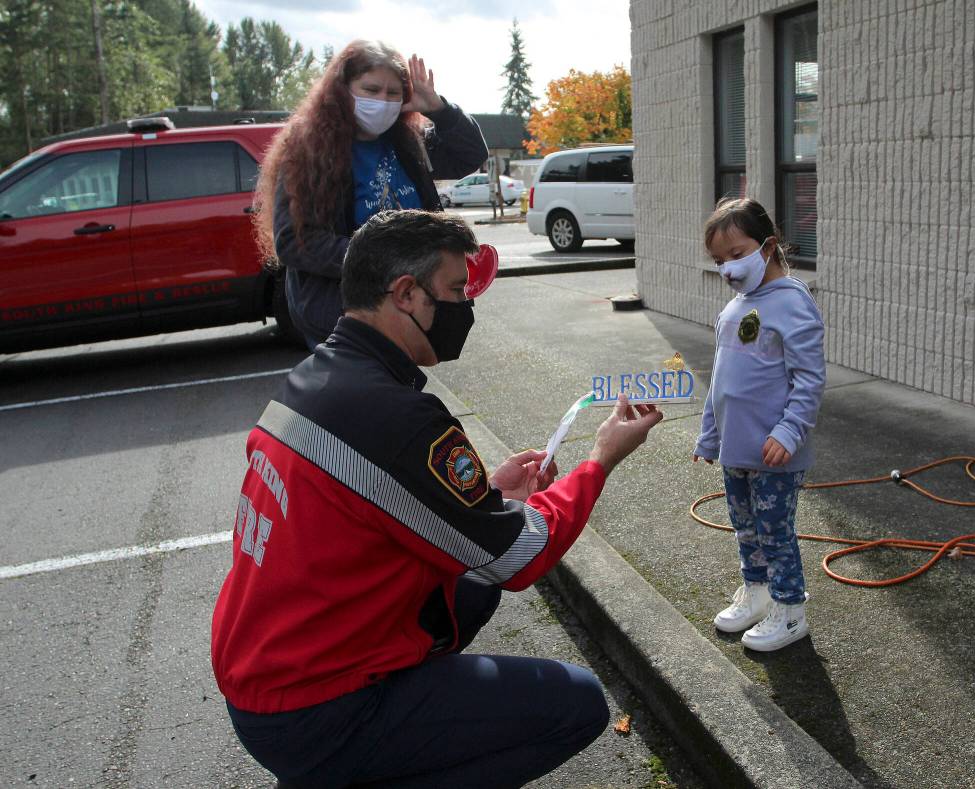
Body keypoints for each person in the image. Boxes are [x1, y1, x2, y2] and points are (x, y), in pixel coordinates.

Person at [211, 209, 663, 788]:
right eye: (454, 292)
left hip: (265, 678)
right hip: (314, 707)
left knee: (469, 594)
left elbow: (376, 505)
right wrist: (600, 460)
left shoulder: (319, 376)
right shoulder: (395, 416)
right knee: (576, 705)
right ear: (405, 294)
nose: (464, 310)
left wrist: (491, 494)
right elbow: (521, 556)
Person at [254, 40, 489, 350]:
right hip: (347, 317)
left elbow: (470, 155)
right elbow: (296, 241)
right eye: (371, 89)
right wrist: (385, 258)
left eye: (393, 93)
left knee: (401, 392)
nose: (383, 101)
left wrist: (440, 110)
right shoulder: (309, 149)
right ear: (342, 89)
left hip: (409, 310)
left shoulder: (406, 140)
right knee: (363, 395)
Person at [692, 197, 826, 652]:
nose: (727, 269)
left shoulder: (792, 302)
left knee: (775, 530)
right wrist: (709, 435)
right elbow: (720, 382)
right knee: (744, 524)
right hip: (736, 448)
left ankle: (790, 610)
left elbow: (808, 380)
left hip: (775, 451)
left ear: (767, 247)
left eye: (736, 254)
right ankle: (757, 591)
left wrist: (788, 431)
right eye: (718, 261)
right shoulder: (734, 309)